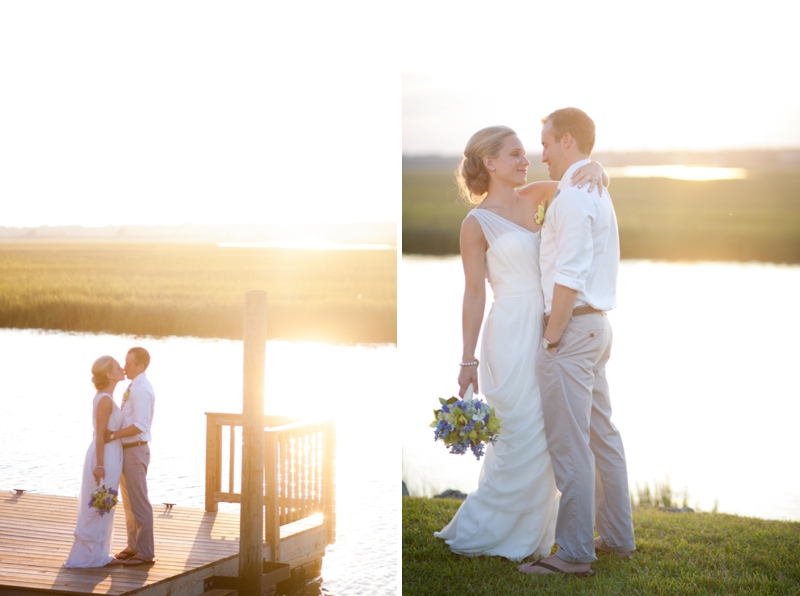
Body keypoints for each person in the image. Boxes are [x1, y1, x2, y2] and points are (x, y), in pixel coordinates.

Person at [434, 125, 608, 560]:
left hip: (551, 325)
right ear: (490, 162)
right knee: (517, 432)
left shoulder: (542, 195)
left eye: (526, 153)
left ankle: (535, 534)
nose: (525, 160)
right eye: (514, 154)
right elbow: (474, 293)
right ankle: (488, 530)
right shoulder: (474, 224)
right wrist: (466, 359)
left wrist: (598, 168)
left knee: (549, 431)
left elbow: (582, 180)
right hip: (509, 331)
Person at [519, 108, 635, 577]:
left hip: (571, 330)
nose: (540, 153)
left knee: (572, 446)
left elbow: (567, 277)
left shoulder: (573, 198)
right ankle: (618, 539)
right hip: (596, 328)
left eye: (545, 143)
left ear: (566, 141)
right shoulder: (593, 188)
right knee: (602, 437)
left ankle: (573, 553)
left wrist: (550, 339)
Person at [63, 356, 125, 568]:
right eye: (118, 367)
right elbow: (100, 435)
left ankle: (98, 555)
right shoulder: (105, 399)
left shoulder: (106, 397)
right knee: (100, 504)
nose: (122, 369)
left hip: (110, 454)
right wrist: (100, 465)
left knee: (104, 504)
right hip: (104, 456)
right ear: (109, 374)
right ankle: (90, 557)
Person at [105, 347, 156, 566]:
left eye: (128, 363)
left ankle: (145, 552)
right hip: (126, 450)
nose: (124, 367)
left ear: (140, 366)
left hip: (135, 449)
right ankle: (133, 545)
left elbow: (140, 425)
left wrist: (114, 434)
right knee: (129, 503)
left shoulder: (142, 389)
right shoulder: (133, 386)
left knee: (139, 502)